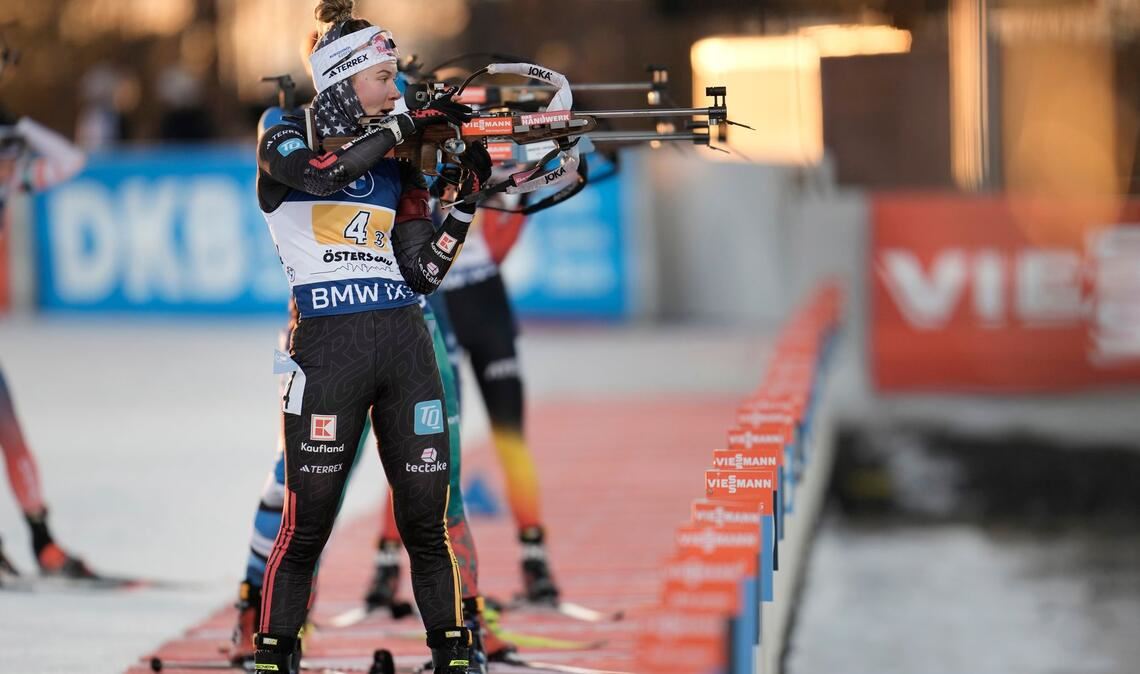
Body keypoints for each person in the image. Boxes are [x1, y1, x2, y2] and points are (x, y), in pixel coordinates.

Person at [251, 1, 492, 671]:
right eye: (383, 78)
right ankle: (274, 653)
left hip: (404, 343)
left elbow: (422, 275)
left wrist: (462, 202)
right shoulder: (282, 129)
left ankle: (452, 651)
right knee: (308, 525)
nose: (396, 90)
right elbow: (322, 176)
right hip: (327, 350)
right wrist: (403, 127)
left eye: (396, 79)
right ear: (341, 80)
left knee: (425, 520)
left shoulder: (398, 163)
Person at [368, 182, 562, 606]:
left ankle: (535, 558)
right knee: (427, 446)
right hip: (437, 306)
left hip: (485, 305)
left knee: (511, 435)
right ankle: (386, 563)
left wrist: (521, 193)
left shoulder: (485, 158)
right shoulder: (416, 159)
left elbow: (494, 251)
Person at [0, 109, 94, 582]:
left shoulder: (11, 182)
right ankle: (42, 544)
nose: (12, 163)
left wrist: (23, 125)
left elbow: (71, 160)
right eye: (6, 153)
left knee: (10, 430)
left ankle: (42, 540)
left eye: (14, 154)